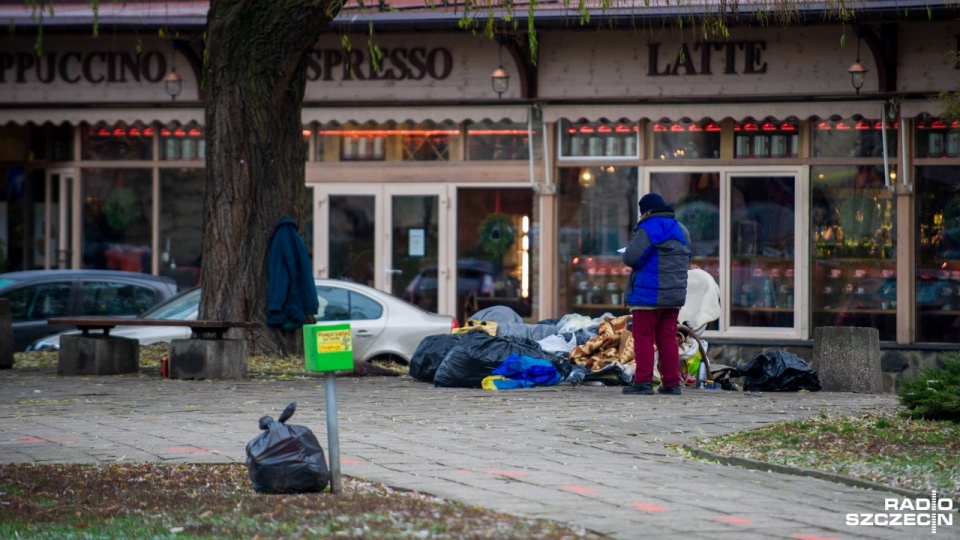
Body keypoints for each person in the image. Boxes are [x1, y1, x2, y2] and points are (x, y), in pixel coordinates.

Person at [621, 193, 693, 395]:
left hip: (648, 296)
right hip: (673, 297)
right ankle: (671, 383)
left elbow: (631, 257)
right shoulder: (682, 229)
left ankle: (642, 381)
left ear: (648, 211)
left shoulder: (648, 228)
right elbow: (687, 256)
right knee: (667, 338)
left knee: (643, 337)